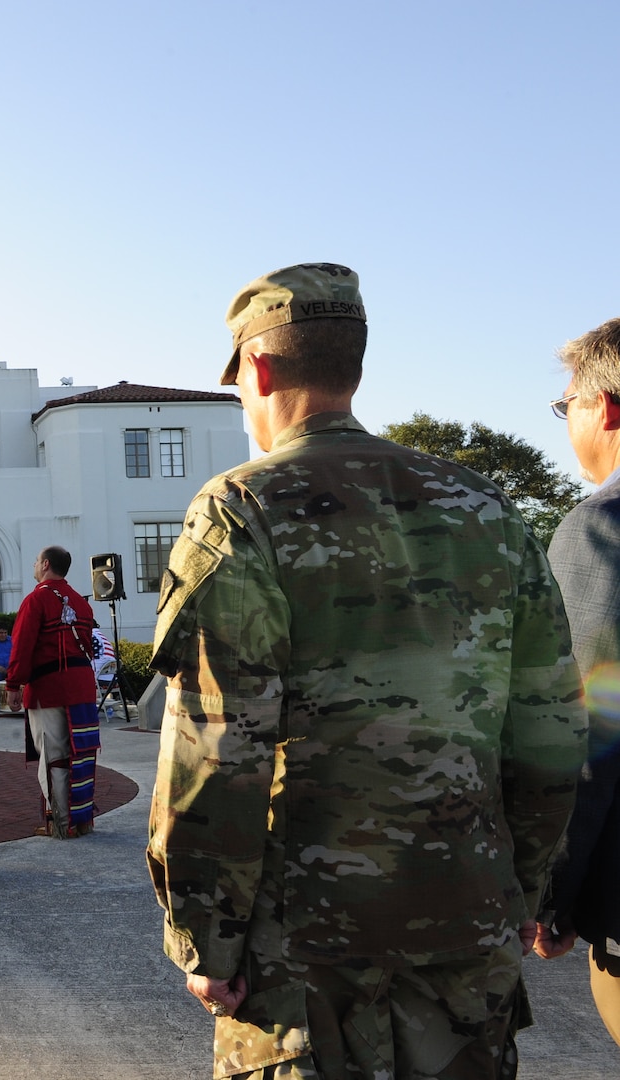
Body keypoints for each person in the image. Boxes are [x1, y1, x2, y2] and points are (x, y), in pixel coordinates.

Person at [146, 263, 587, 1078]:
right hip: (466, 929)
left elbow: (218, 745)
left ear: (260, 369)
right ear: (352, 367)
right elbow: (553, 733)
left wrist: (205, 938)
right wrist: (513, 889)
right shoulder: (484, 509)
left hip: (304, 953)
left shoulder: (242, 507)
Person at [533, 317, 620, 1046]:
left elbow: (590, 723)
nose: (567, 423)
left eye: (567, 406)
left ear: (607, 407)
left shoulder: (604, 529)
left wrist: (551, 893)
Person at [5, 547, 99, 838]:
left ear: (45, 565)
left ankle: (60, 823)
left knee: (54, 756)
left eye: (35, 561)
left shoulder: (37, 599)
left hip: (50, 689)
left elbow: (22, 647)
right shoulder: (83, 604)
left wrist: (13, 685)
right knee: (81, 753)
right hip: (82, 689)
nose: (34, 565)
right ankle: (82, 819)